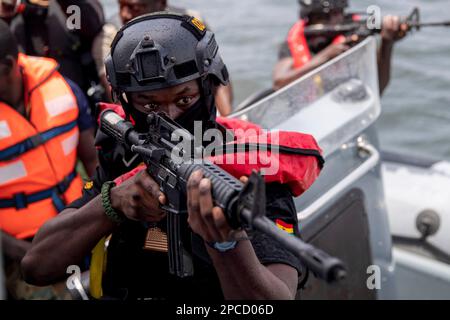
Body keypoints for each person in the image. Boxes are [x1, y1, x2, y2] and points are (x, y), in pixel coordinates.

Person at [21, 13, 324, 300]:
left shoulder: (251, 170)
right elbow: (35, 267)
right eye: (148, 105)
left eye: (184, 99)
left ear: (208, 90)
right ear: (125, 101)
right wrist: (112, 202)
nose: (171, 117)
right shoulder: (125, 158)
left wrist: (227, 241)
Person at [0, 20, 97, 299]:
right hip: (21, 248)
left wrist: (100, 223)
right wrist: (30, 253)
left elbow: (93, 162)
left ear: (7, 65)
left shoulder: (63, 90)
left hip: (80, 225)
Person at [92, 0, 234, 116]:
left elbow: (216, 72)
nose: (125, 14)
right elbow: (113, 86)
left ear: (161, 3)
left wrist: (227, 117)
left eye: (134, 7)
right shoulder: (110, 35)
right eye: (121, 6)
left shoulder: (191, 24)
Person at [273, 0, 409, 94]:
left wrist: (387, 43)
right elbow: (279, 82)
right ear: (310, 19)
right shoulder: (295, 44)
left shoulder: (354, 40)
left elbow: (377, 88)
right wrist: (326, 56)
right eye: (324, 17)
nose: (334, 21)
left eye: (338, 13)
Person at [2, 0, 105, 102]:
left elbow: (94, 25)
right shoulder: (12, 11)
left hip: (76, 100)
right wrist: (4, 15)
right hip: (26, 104)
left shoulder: (72, 9)